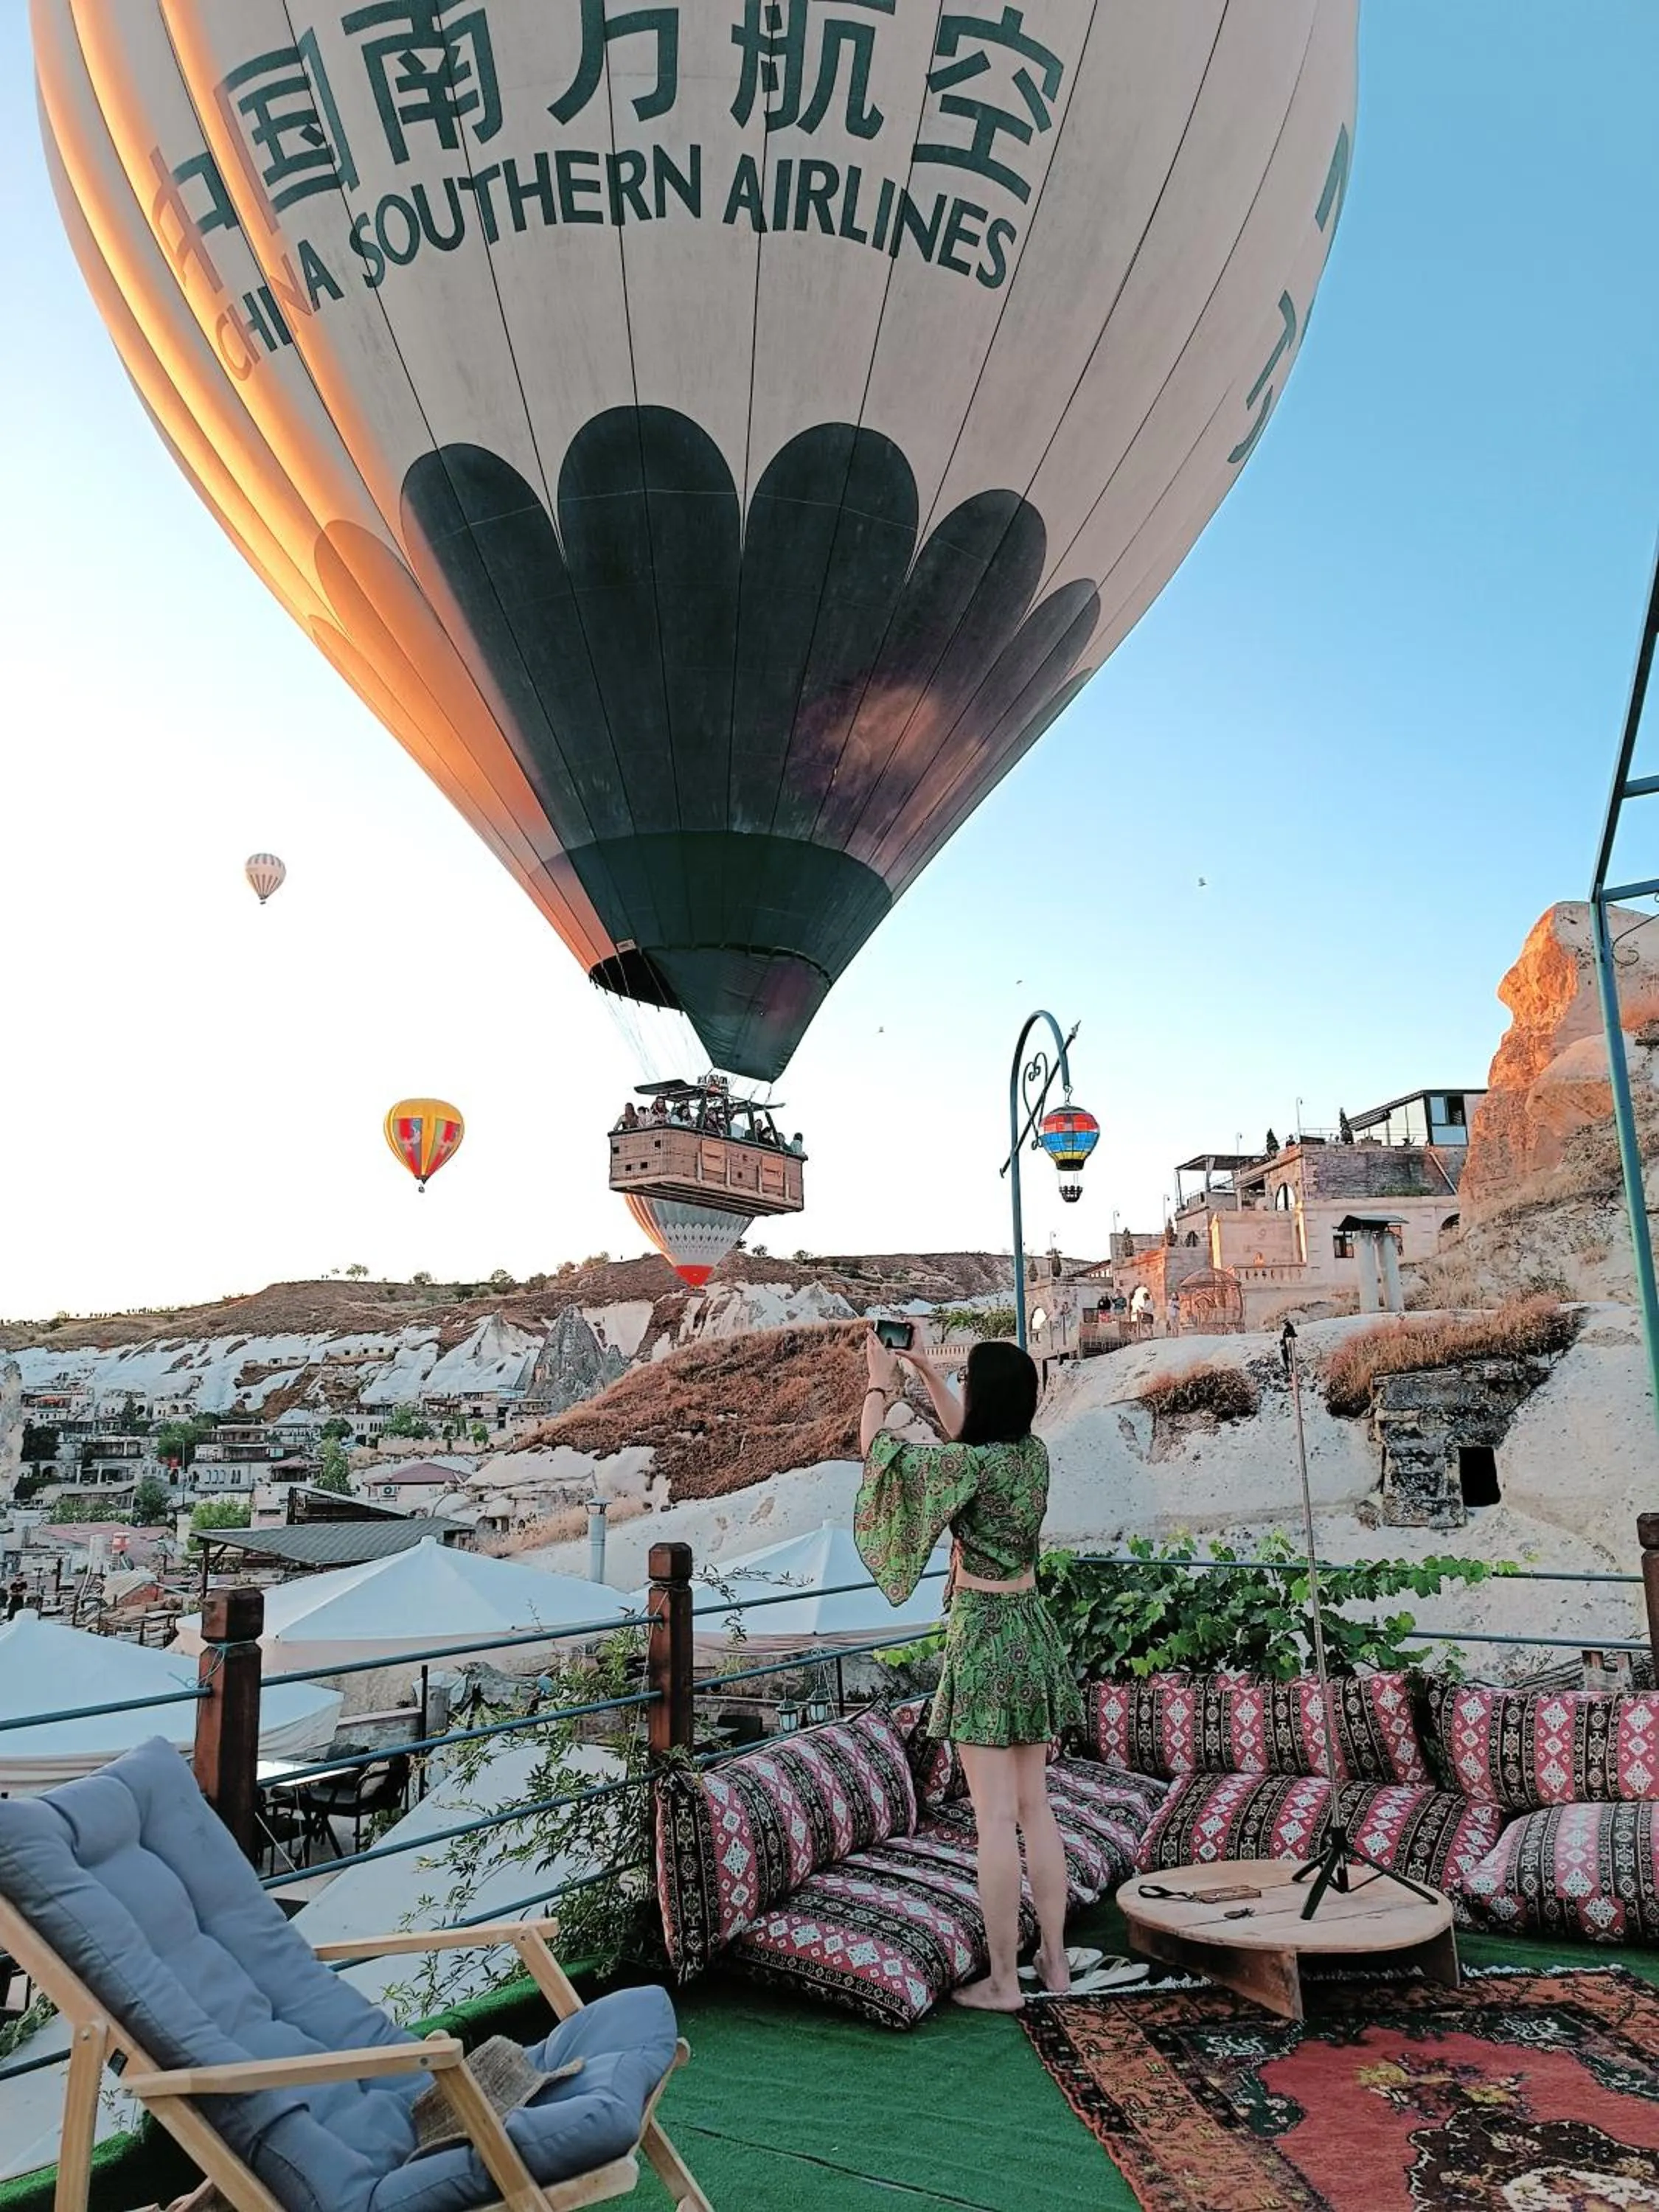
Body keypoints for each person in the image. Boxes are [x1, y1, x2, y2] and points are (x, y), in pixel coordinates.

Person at [855, 1332, 1083, 2011]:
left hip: (984, 1640)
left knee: (992, 1821)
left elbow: (879, 1453)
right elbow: (970, 1437)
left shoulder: (972, 1468)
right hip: (1032, 1634)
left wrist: (879, 1384)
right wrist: (927, 1368)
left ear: (984, 1396)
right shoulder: (1030, 1458)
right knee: (1035, 1808)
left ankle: (1006, 1982)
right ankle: (1057, 1960)